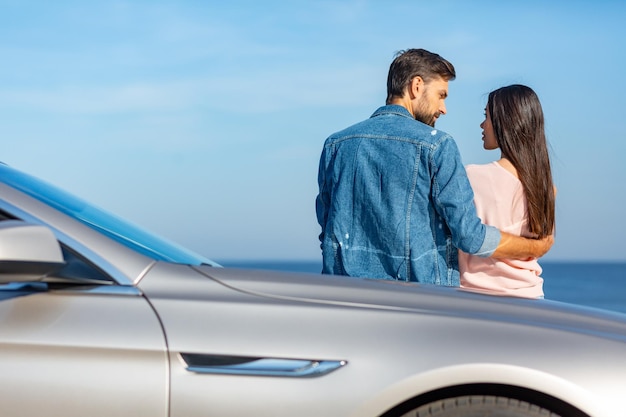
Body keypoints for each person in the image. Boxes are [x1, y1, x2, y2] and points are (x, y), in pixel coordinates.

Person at [315, 48, 552, 285]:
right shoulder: (437, 145)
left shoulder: (335, 145)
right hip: (421, 304)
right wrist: (534, 247)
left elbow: (327, 227)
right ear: (416, 86)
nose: (443, 108)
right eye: (441, 95)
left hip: (344, 298)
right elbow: (470, 237)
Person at [459, 85, 555, 298]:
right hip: (531, 296)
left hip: (478, 298)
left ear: (506, 121)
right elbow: (544, 244)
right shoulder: (546, 188)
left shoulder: (472, 176)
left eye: (487, 116)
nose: (482, 124)